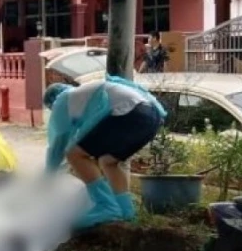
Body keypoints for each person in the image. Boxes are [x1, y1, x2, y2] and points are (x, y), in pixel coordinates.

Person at [43, 75, 167, 228]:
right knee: (108, 161)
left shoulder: (62, 101)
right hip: (151, 117)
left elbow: (57, 145)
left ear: (51, 104)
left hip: (130, 113)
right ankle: (126, 211)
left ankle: (106, 206)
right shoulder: (84, 95)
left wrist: (47, 179)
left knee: (75, 154)